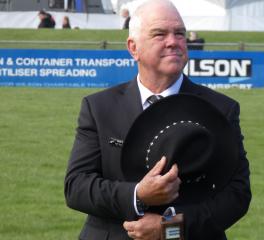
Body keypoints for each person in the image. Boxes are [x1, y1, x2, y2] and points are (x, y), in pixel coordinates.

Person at [64, 0, 251, 239]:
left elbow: (237, 195)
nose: (173, 41)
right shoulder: (99, 107)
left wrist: (169, 228)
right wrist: (138, 194)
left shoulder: (220, 109)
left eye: (179, 33)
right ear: (133, 48)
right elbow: (76, 187)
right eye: (159, 34)